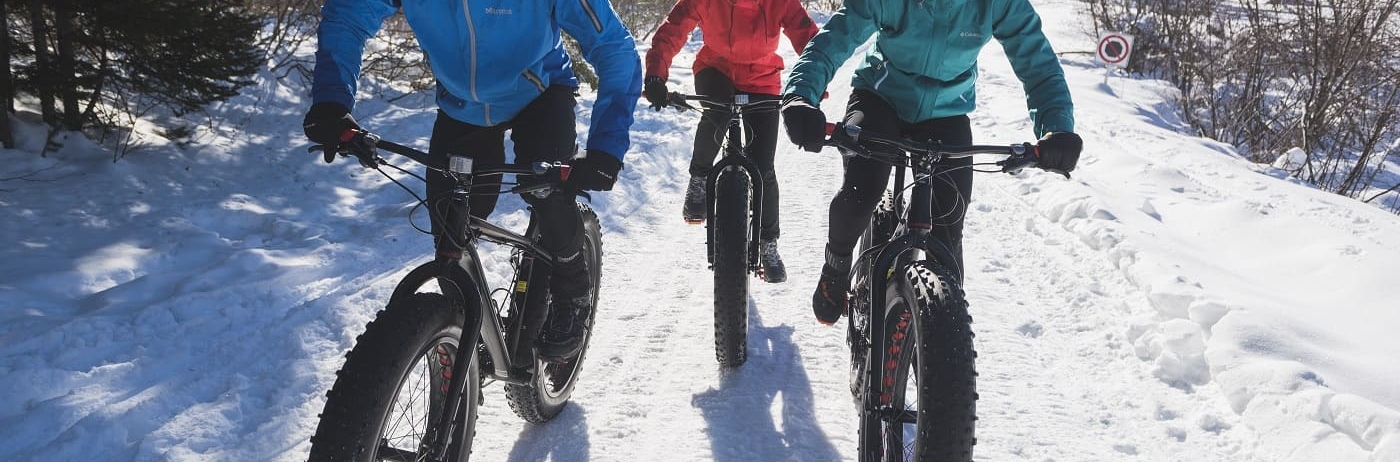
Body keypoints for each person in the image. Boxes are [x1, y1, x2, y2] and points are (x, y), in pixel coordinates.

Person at [302, 0, 642, 359]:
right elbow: (349, 17)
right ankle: (462, 335)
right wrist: (331, 102)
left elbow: (614, 46)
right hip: (462, 105)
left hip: (541, 94)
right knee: (451, 227)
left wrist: (607, 147)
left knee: (548, 192)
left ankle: (572, 287)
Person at [780, 0, 1084, 324]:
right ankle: (837, 265)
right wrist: (801, 95)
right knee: (860, 193)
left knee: (948, 228)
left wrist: (1057, 127)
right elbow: (833, 41)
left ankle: (943, 338)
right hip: (880, 99)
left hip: (946, 111)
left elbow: (1037, 63)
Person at [642, 0, 820, 283]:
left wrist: (814, 83)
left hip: (762, 80)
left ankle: (768, 244)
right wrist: (655, 74)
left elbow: (808, 38)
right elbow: (673, 29)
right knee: (719, 109)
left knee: (763, 168)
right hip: (716, 70)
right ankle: (700, 178)